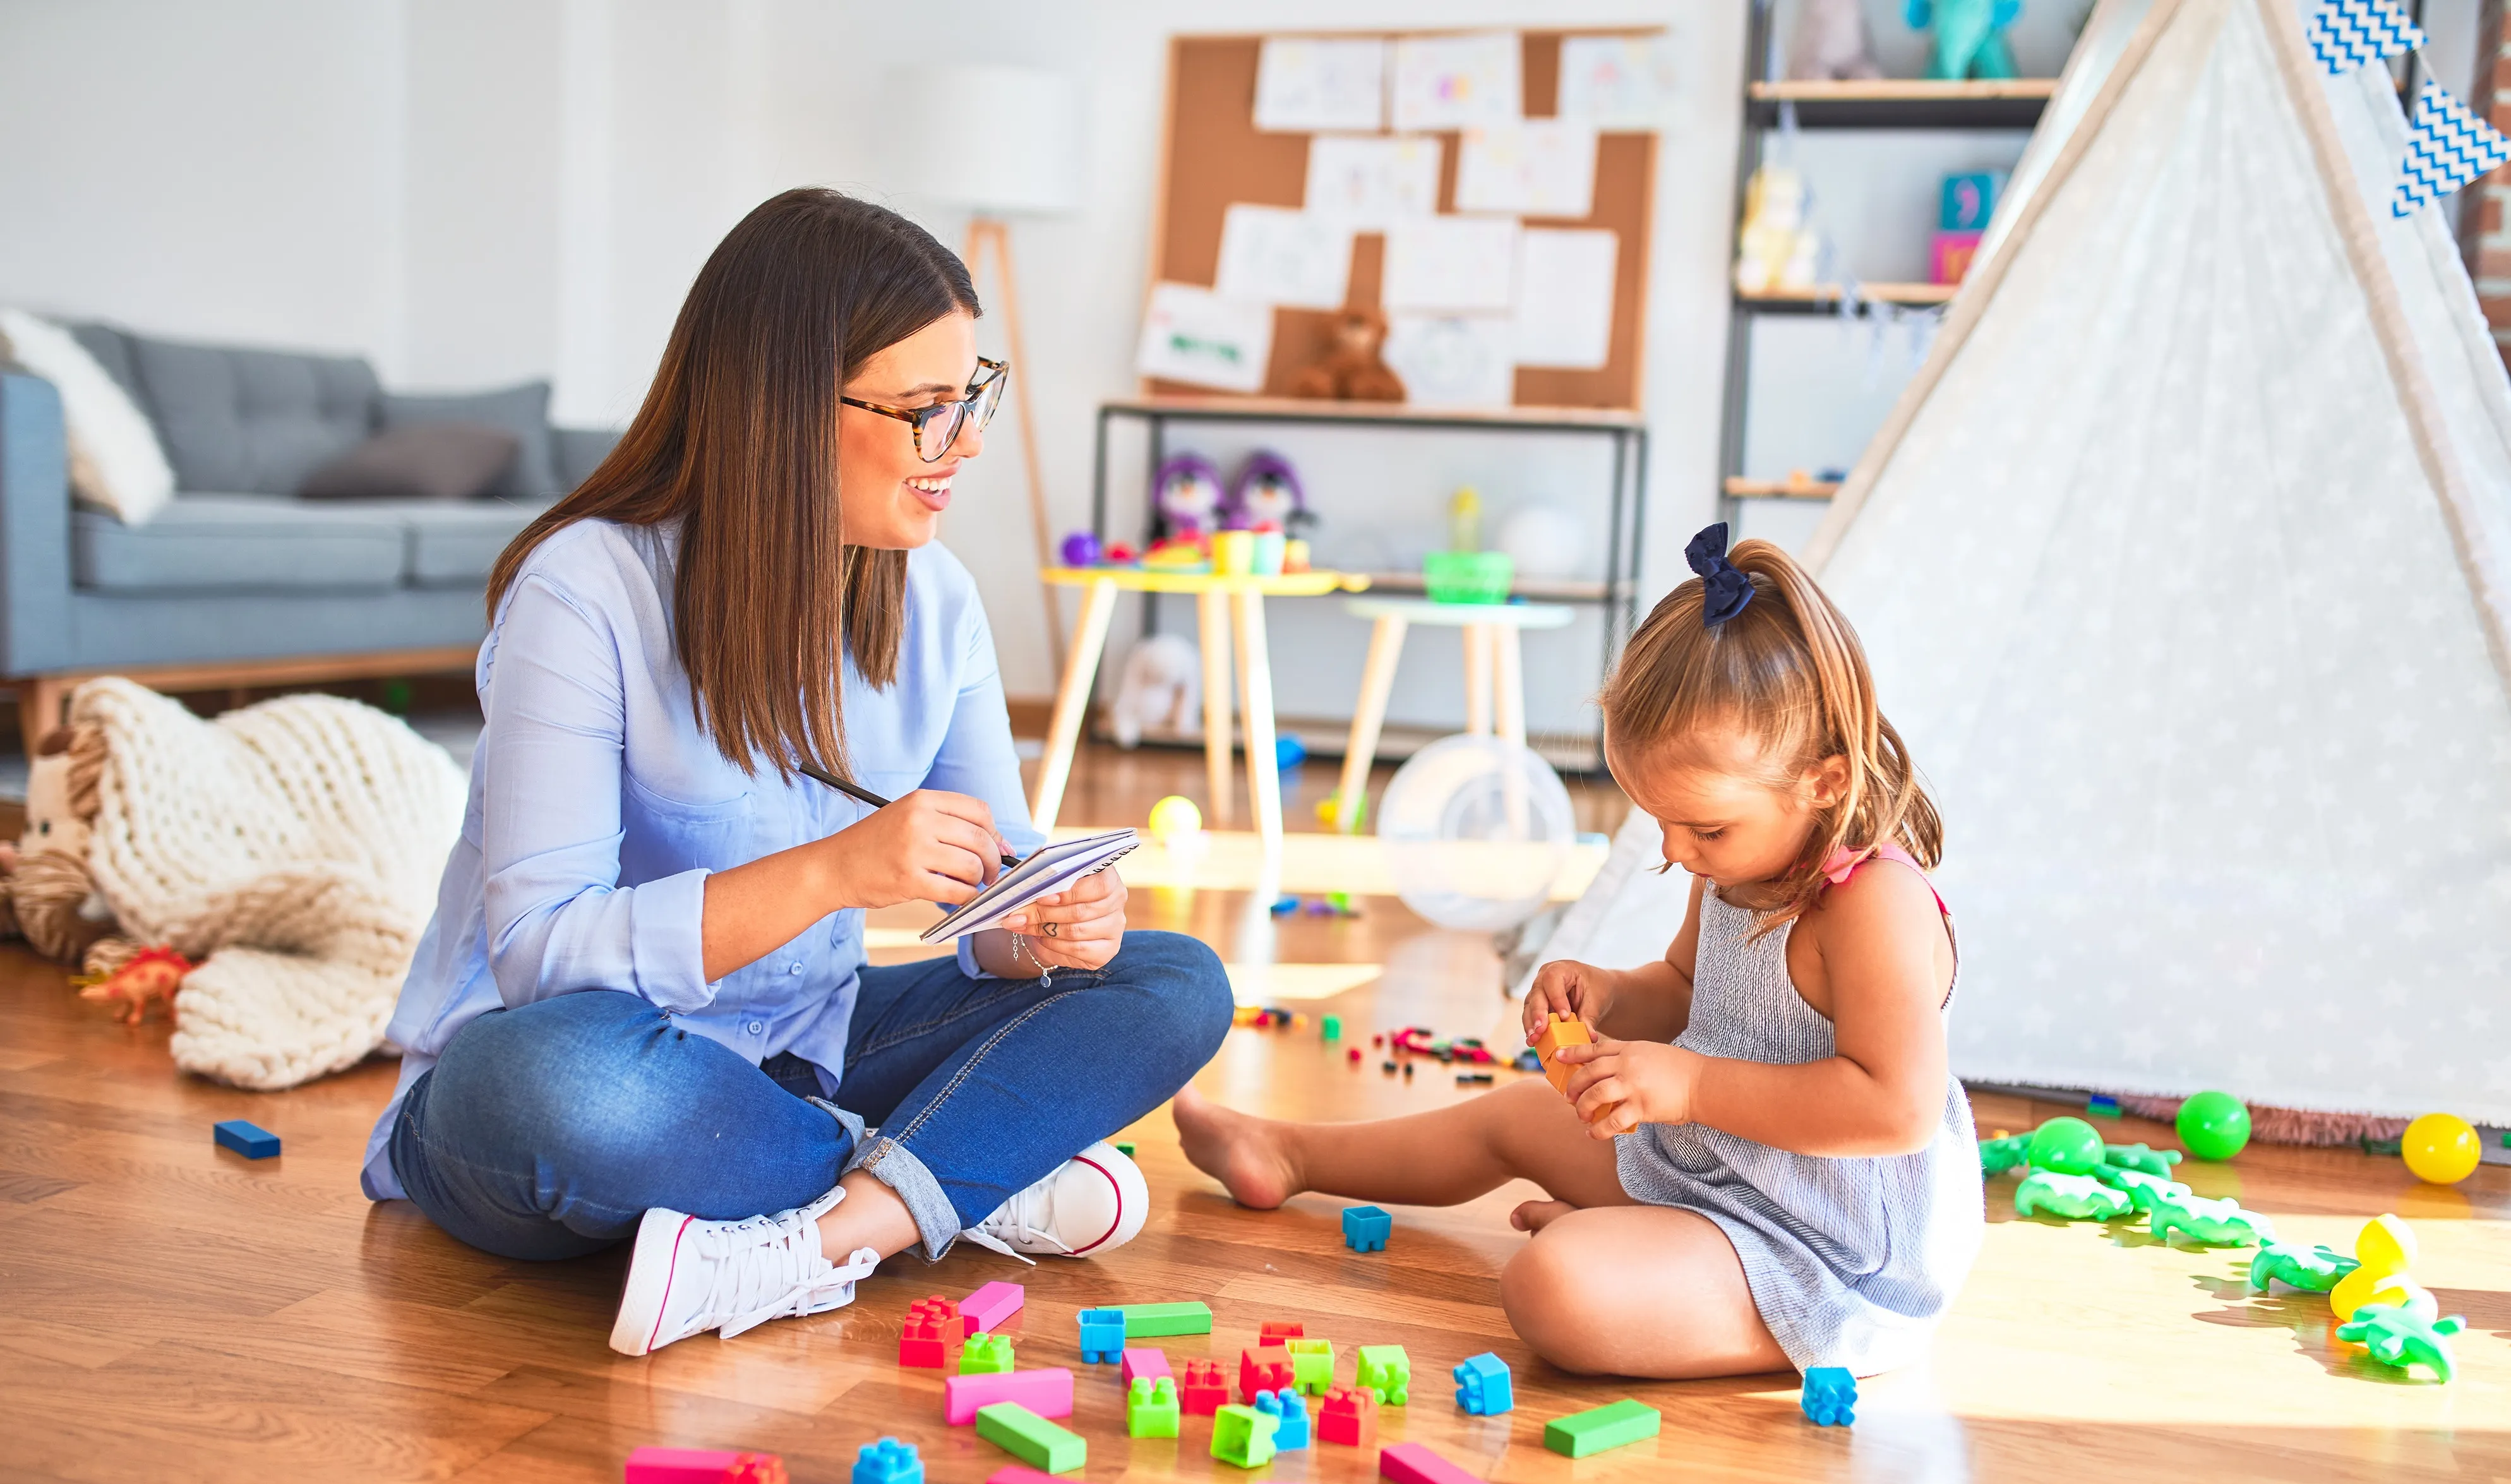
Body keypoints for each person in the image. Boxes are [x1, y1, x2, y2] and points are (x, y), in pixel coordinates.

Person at [362, 188, 1232, 1356]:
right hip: (584, 1070)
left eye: (971, 395)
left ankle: (831, 1233)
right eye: (929, 408)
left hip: (802, 1056)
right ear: (782, 405)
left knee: (1170, 979)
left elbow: (994, 913)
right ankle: (956, 1177)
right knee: (551, 1090)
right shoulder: (585, 592)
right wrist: (833, 874)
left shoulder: (938, 603)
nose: (966, 442)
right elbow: (539, 955)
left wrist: (1047, 927)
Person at [1177, 526, 1981, 1380]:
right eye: (1657, 820)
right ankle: (1289, 1153)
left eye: (1703, 826)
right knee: (1511, 1115)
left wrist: (1691, 1085)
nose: (1678, 849)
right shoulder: (1735, 859)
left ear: (1821, 783)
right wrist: (1603, 994)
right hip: (1724, 1173)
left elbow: (1895, 1106)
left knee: (1553, 1287)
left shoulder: (1873, 905)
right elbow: (1681, 986)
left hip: (1830, 1252)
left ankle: (1684, 1286)